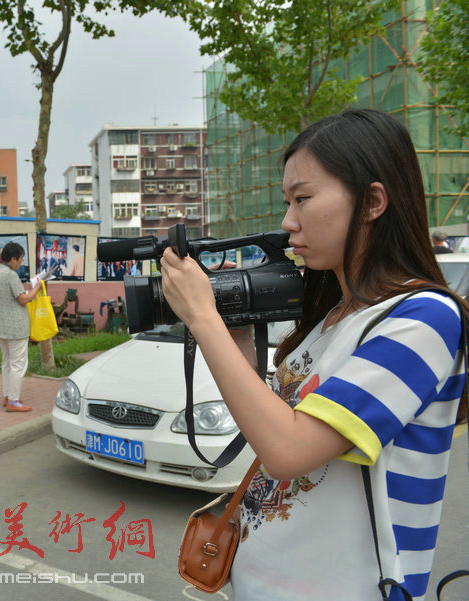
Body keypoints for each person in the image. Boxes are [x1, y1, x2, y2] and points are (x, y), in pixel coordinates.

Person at [159, 109, 467, 600]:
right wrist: (235, 338)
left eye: (303, 199)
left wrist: (203, 318)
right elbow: (273, 429)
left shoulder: (423, 319)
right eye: (288, 201)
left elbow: (288, 452)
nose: (287, 221)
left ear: (372, 202)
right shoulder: (331, 319)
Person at [0, 242, 53, 413]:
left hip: (0, 326)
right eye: (20, 259)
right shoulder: (11, 275)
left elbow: (10, 296)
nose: (21, 262)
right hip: (15, 328)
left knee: (7, 362)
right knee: (18, 364)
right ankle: (13, 401)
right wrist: (38, 287)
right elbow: (23, 299)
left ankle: (8, 396)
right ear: (12, 259)